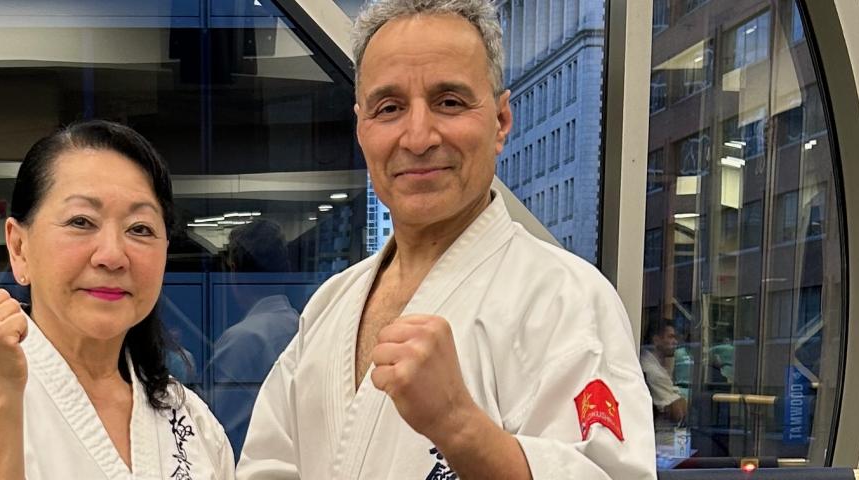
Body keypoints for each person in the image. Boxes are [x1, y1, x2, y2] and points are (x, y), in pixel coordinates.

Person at [235, 0, 657, 478]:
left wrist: (459, 426)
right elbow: (267, 466)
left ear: (500, 122)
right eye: (389, 108)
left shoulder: (567, 298)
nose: (417, 137)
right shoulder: (331, 304)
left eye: (449, 102)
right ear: (361, 128)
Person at [0, 120, 234, 479]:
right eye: (81, 221)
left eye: (140, 229)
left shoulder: (190, 418)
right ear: (19, 247)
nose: (112, 255)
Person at [207, 220, 302, 446]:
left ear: (235, 274)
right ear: (286, 271)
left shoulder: (241, 341)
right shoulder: (304, 328)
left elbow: (211, 431)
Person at [641, 322, 688, 462]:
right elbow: (677, 412)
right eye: (670, 337)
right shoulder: (652, 370)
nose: (675, 341)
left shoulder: (658, 366)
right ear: (656, 340)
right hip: (662, 441)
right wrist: (682, 400)